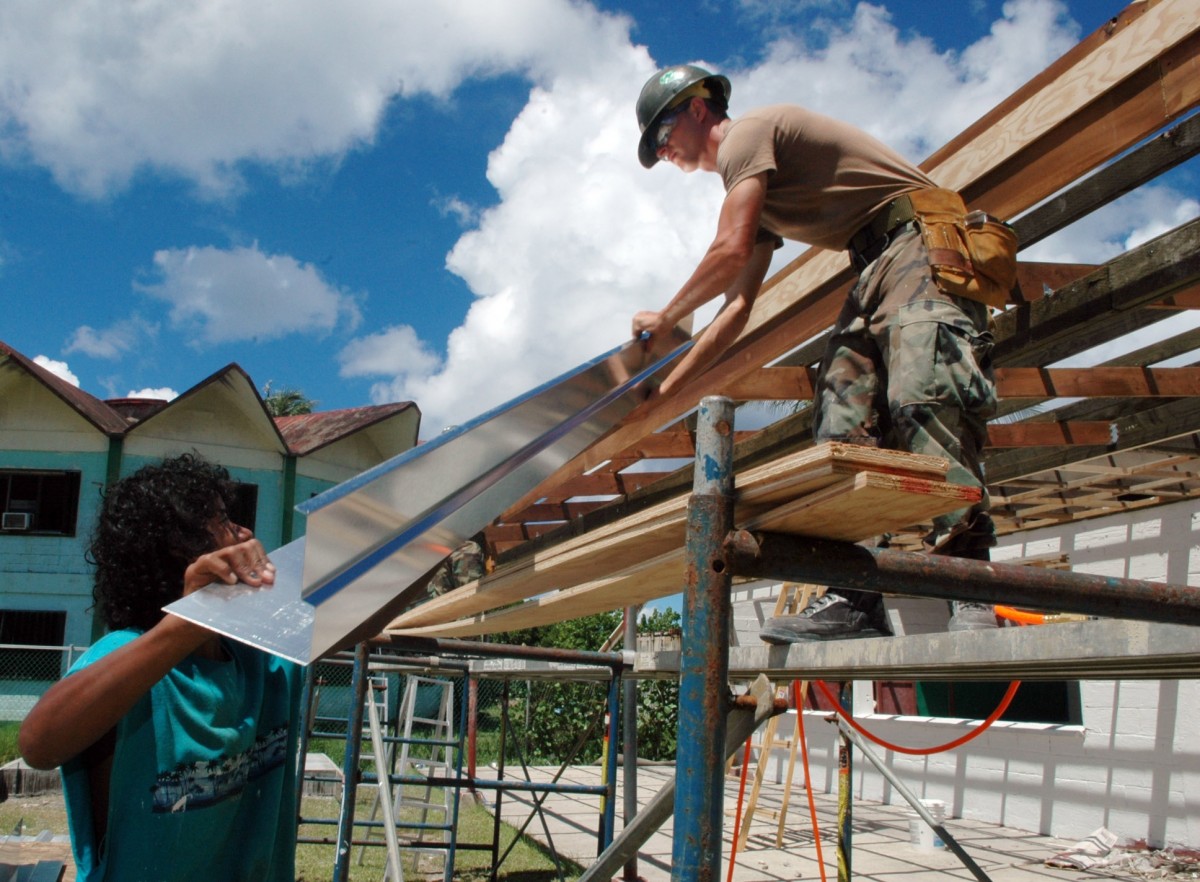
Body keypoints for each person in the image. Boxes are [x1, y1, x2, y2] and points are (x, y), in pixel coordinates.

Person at [632, 64, 1014, 641]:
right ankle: (856, 598)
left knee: (924, 391)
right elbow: (735, 311)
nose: (664, 153)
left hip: (917, 244)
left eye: (661, 137)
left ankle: (972, 588)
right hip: (871, 264)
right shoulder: (747, 182)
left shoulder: (746, 136)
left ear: (698, 108)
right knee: (840, 416)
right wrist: (667, 390)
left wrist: (664, 318)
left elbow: (730, 248)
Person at [19, 453, 303, 881]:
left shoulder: (266, 658)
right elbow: (39, 744)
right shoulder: (129, 657)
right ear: (181, 547)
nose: (245, 532)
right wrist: (190, 621)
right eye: (225, 520)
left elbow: (368, 605)